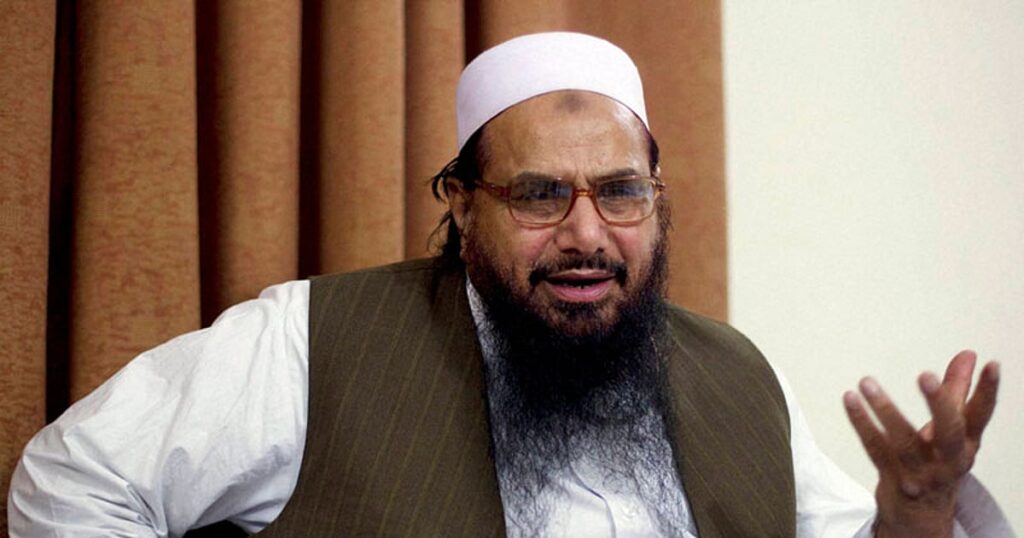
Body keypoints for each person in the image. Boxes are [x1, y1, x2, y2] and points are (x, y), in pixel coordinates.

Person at [7, 32, 1014, 538]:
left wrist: (915, 515)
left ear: (657, 198)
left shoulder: (738, 376)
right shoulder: (313, 342)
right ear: (462, 202)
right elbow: (73, 481)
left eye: (620, 192)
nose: (586, 235)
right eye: (538, 194)